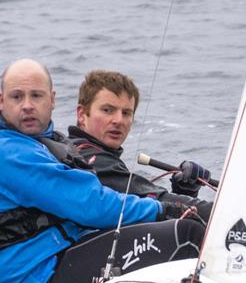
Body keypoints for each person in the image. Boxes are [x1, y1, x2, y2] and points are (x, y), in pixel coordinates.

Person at [0, 58, 205, 283]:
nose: (27, 105)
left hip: (59, 268)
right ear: (1, 101)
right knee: (187, 235)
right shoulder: (6, 153)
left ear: (52, 100)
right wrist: (163, 209)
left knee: (174, 238)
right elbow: (91, 206)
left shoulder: (41, 143)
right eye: (17, 96)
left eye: (36, 95)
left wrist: (181, 199)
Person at [67, 69, 213, 222]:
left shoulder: (83, 151)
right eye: (107, 110)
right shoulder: (89, 158)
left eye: (126, 113)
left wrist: (185, 191)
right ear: (82, 115)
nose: (118, 120)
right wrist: (224, 214)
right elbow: (155, 200)